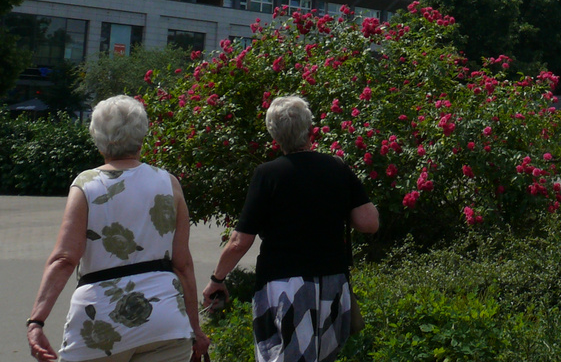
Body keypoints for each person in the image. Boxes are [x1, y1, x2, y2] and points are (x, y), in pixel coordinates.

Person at [26, 95, 208, 362]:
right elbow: (183, 265)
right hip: (165, 321)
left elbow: (65, 259)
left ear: (98, 137)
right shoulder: (168, 183)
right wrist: (195, 328)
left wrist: (37, 321)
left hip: (100, 327)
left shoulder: (86, 185)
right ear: (142, 134)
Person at [203, 95, 379, 362]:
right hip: (333, 284)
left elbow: (240, 241)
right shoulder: (337, 168)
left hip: (285, 287)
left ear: (275, 136)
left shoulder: (268, 174)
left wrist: (217, 280)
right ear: (310, 129)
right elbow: (369, 222)